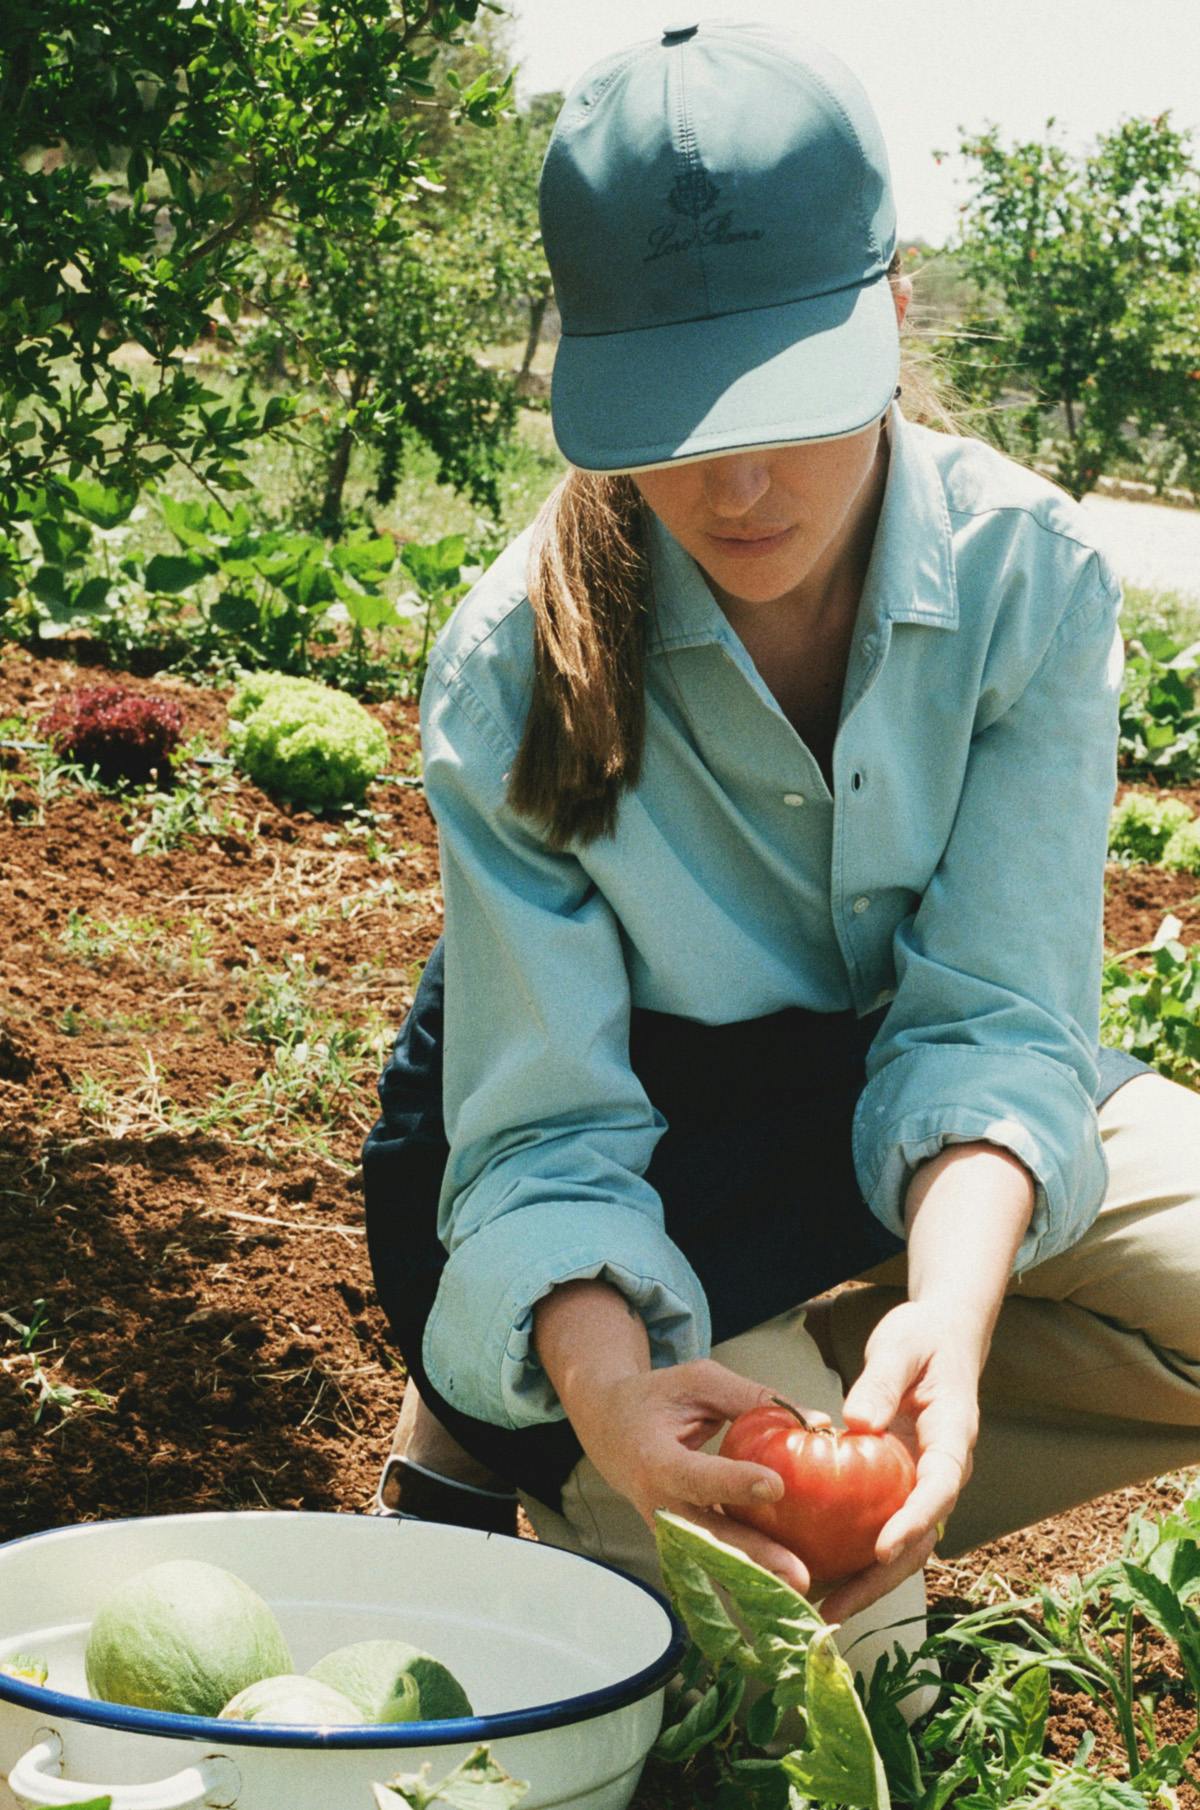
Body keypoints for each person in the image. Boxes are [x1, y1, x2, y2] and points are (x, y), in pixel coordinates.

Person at [361, 18, 1200, 1703]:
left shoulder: (1030, 582)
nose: (737, 483)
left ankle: (661, 1411)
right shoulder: (516, 660)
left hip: (889, 1102)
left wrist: (950, 1332)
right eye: (676, 413)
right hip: (620, 1165)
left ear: (893, 307)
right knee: (819, 1661)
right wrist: (607, 1386)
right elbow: (547, 1132)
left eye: (790, 401)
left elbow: (989, 1024)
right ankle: (541, 1407)